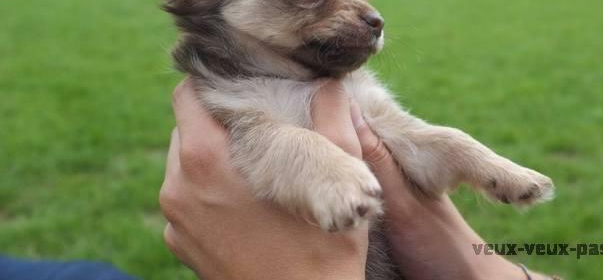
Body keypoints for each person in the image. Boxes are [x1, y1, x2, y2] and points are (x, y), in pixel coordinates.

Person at [162, 79, 558, 280]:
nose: (370, 17)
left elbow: (412, 146)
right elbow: (259, 141)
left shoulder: (348, 82)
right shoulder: (229, 89)